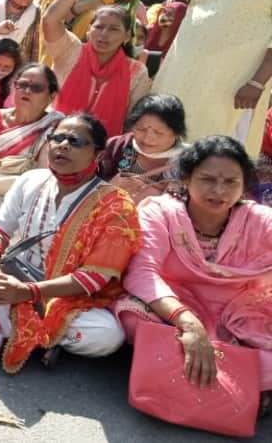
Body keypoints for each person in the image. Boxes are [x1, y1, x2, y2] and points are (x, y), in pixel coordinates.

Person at [0, 113, 141, 372]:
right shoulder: (31, 180)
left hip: (63, 296)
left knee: (107, 335)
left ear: (99, 154)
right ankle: (36, 335)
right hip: (14, 272)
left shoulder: (117, 206)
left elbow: (94, 278)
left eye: (76, 141)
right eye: (57, 138)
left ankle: (2, 320)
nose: (63, 145)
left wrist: (28, 292)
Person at [114, 136, 272, 401]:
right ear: (186, 178)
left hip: (240, 314)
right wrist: (189, 324)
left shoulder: (259, 219)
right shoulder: (160, 212)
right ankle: (242, 386)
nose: (219, 191)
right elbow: (142, 273)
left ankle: (208, 381)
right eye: (208, 179)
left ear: (244, 185)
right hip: (174, 308)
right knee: (131, 319)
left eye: (231, 182)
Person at [145, 0, 272, 156]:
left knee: (213, 148)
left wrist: (258, 83)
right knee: (166, 129)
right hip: (183, 66)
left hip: (233, 80)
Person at [42, 0, 151, 137]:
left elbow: (133, 121)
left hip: (101, 151)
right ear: (88, 31)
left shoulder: (137, 72)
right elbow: (50, 19)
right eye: (99, 27)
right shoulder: (70, 50)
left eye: (114, 29)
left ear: (127, 37)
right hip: (53, 138)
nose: (104, 34)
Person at [0, 63, 63, 224]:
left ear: (51, 96)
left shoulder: (55, 126)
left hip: (17, 195)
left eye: (36, 88)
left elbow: (44, 176)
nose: (27, 91)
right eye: (22, 85)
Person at [97, 94, 186, 206]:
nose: (148, 138)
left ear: (176, 133)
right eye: (141, 129)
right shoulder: (116, 146)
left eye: (159, 133)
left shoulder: (187, 163)